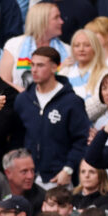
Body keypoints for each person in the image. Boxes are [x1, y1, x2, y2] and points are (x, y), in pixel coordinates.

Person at [14, 46, 90, 186]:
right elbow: (16, 139)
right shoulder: (23, 100)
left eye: (40, 65)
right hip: (28, 178)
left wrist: (68, 169)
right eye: (33, 65)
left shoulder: (72, 102)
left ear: (54, 68)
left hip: (60, 178)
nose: (34, 70)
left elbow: (81, 140)